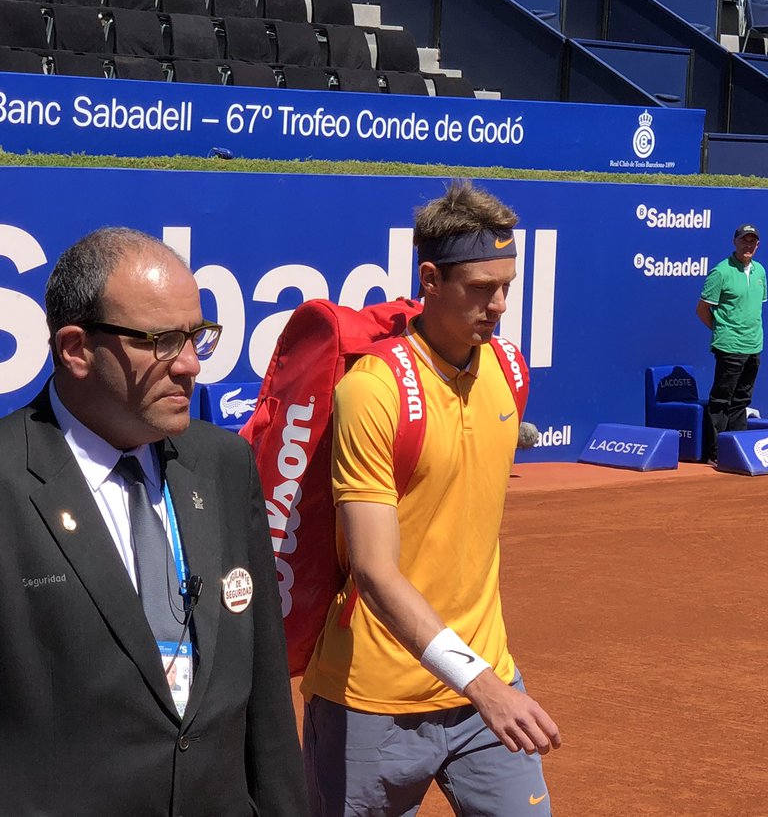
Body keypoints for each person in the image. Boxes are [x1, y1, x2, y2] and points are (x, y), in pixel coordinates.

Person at [0, 227, 307, 814]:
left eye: (196, 337)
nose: (191, 365)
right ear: (75, 349)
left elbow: (265, 696)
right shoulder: (8, 480)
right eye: (163, 341)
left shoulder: (224, 464)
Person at [301, 181, 561, 817]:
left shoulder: (508, 368)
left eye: (507, 285)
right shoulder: (373, 390)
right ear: (430, 280)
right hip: (373, 699)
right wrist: (483, 685)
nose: (498, 304)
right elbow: (375, 571)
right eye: (479, 287)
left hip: (484, 682)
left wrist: (485, 683)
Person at [696, 223, 768, 462]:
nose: (748, 245)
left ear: (757, 245)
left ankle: (736, 450)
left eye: (752, 241)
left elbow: (755, 308)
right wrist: (722, 330)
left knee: (742, 400)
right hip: (729, 346)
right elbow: (703, 309)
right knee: (721, 400)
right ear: (734, 242)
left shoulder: (760, 272)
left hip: (753, 345)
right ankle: (716, 452)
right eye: (744, 241)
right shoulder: (721, 272)